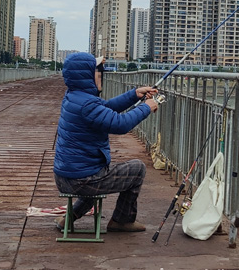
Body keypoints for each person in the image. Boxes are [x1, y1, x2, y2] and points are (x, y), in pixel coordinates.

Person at [53, 52, 159, 232]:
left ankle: (69, 218)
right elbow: (120, 124)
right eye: (98, 70)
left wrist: (134, 95)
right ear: (86, 75)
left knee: (96, 173)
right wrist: (146, 108)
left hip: (66, 176)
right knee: (137, 169)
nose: (101, 74)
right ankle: (122, 221)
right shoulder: (87, 104)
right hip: (81, 179)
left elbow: (106, 109)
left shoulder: (74, 96)